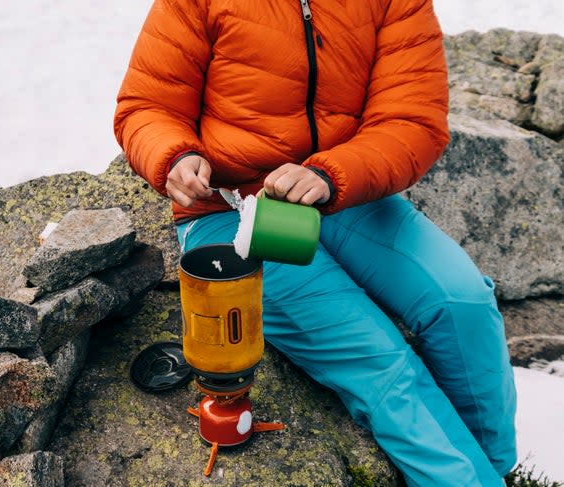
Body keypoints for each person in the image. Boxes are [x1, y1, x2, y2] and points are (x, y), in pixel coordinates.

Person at [114, 0, 517, 485]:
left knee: (463, 301)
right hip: (229, 210)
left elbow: (413, 120)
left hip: (346, 194)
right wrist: (173, 156)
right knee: (380, 360)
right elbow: (147, 106)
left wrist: (330, 175)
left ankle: (495, 469)